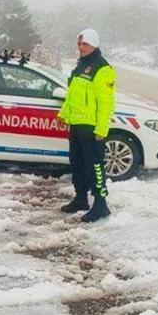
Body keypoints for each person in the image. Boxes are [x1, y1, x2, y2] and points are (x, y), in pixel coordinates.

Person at [57, 28, 116, 222]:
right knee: (77, 163)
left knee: (95, 166)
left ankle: (101, 204)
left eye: (86, 44)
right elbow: (71, 96)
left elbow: (106, 102)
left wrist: (102, 128)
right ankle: (81, 198)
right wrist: (63, 115)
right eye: (79, 44)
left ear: (94, 45)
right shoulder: (80, 66)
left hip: (91, 128)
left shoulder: (102, 69)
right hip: (76, 125)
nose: (81, 48)